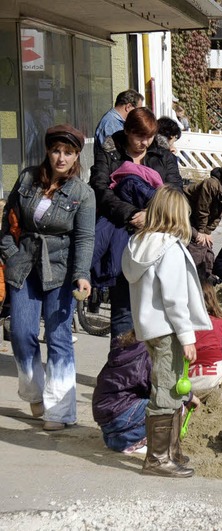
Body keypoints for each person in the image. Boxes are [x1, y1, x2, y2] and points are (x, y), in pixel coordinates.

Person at [0, 124, 95, 431]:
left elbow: (84, 239)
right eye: (56, 150)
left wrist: (81, 275)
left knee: (58, 338)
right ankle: (33, 393)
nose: (61, 158)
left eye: (68, 152)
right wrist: (10, 253)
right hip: (24, 266)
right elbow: (8, 221)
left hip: (60, 270)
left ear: (76, 155)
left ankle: (60, 410)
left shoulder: (83, 193)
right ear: (47, 151)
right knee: (21, 333)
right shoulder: (28, 177)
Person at [122, 185, 210, 478]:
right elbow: (174, 298)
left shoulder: (139, 244)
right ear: (179, 215)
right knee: (166, 389)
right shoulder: (168, 249)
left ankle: (171, 450)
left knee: (168, 386)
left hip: (151, 327)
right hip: (169, 329)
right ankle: (158, 458)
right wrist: (187, 337)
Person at [90, 107, 183, 338]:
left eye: (149, 136)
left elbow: (176, 192)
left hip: (157, 236)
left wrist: (150, 215)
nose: (145, 142)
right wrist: (131, 213)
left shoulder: (163, 153)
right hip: (120, 232)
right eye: (139, 136)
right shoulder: (109, 151)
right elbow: (100, 190)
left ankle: (147, 369)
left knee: (154, 307)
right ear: (127, 131)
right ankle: (122, 364)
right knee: (122, 306)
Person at [92, 330, 151, 453]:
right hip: (120, 412)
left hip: (104, 413)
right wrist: (188, 397)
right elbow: (161, 387)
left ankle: (117, 439)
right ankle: (136, 441)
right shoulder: (147, 355)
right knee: (169, 405)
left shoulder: (123, 350)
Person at [189, 279, 222, 400]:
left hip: (190, 385)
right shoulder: (220, 322)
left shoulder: (185, 326)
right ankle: (221, 394)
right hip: (213, 381)